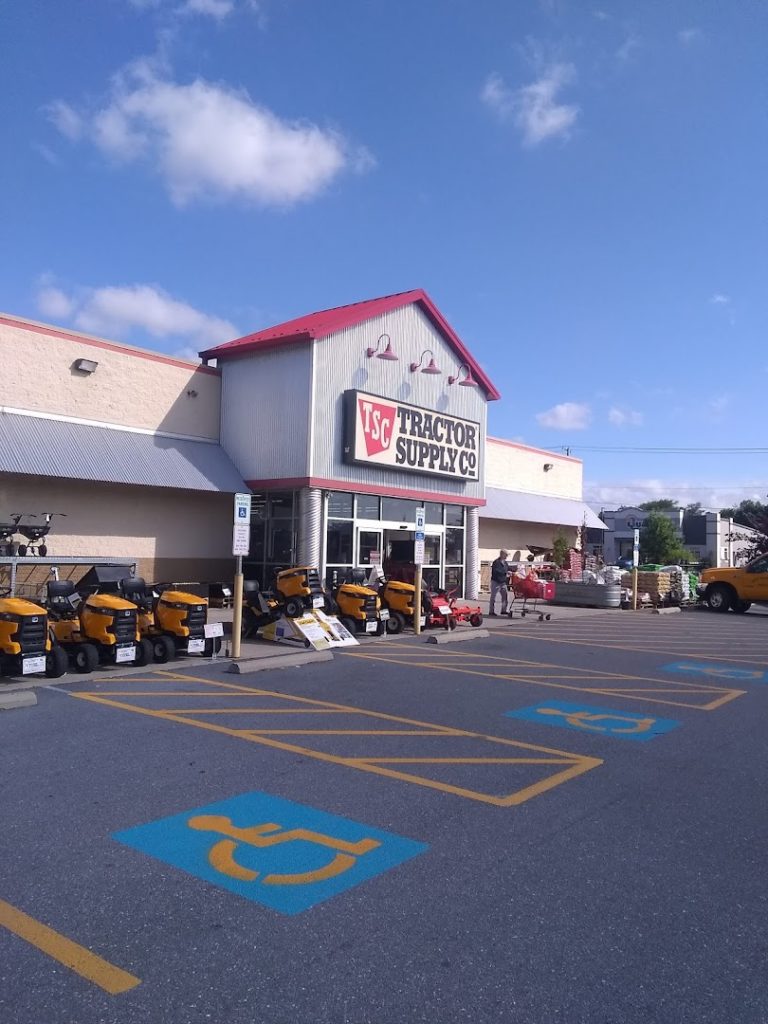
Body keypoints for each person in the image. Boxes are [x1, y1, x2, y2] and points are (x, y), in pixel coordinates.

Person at [489, 549, 510, 616]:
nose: (507, 556)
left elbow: (508, 568)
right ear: (502, 554)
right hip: (496, 581)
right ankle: (491, 611)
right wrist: (505, 573)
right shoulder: (496, 562)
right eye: (506, 555)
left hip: (503, 582)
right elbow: (496, 571)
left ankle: (504, 610)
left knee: (505, 596)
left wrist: (513, 571)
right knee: (493, 597)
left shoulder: (505, 563)